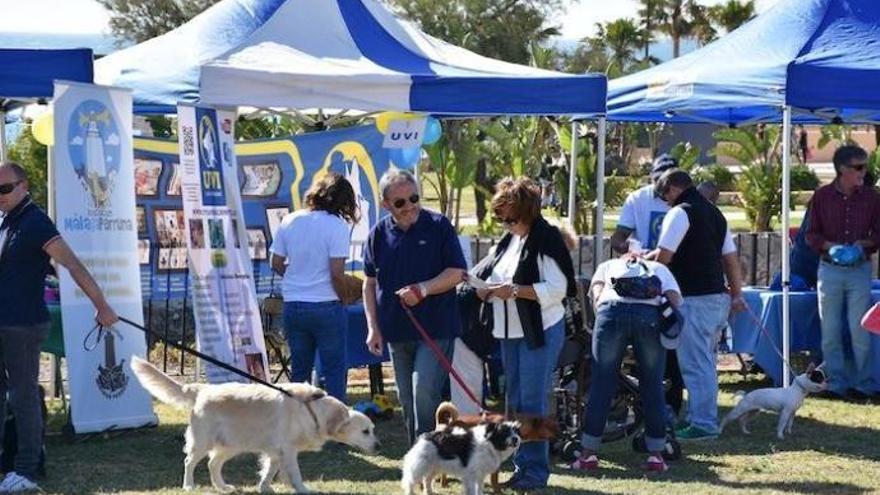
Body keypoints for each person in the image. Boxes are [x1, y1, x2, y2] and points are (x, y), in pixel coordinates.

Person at [0, 162, 118, 492]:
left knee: (23, 396)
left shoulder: (35, 221)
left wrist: (102, 305)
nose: (0, 196)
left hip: (23, 324)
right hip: (4, 320)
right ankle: (8, 463)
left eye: (5, 189)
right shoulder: (7, 221)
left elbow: (72, 264)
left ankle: (26, 471)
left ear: (24, 186)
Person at [473, 177, 576, 490]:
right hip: (510, 331)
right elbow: (485, 273)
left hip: (539, 330)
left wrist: (515, 290)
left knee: (531, 401)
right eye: (501, 217)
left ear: (528, 212)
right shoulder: (509, 240)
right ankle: (522, 467)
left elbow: (559, 289)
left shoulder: (546, 238)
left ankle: (535, 471)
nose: (506, 223)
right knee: (515, 400)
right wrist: (483, 289)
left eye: (511, 217)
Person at [362, 169, 467, 445]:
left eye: (414, 198)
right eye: (400, 202)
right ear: (386, 204)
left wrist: (423, 289)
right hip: (397, 331)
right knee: (406, 398)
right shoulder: (377, 234)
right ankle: (424, 453)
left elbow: (457, 272)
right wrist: (373, 328)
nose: (409, 206)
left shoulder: (439, 225)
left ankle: (425, 456)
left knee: (424, 392)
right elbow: (369, 284)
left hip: (436, 328)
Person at [649, 169, 745, 441]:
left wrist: (644, 260)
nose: (665, 202)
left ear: (672, 190)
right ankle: (697, 417)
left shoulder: (680, 212)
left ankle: (703, 423)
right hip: (717, 299)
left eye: (664, 195)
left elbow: (664, 257)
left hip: (694, 299)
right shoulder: (715, 213)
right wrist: (737, 294)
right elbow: (731, 259)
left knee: (695, 364)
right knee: (706, 362)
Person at [570, 254, 683, 473]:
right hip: (649, 315)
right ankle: (656, 455)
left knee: (602, 384)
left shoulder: (607, 265)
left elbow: (596, 294)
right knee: (652, 385)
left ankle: (588, 455)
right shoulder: (658, 267)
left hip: (611, 312)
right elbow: (675, 300)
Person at [270, 172, 359, 402]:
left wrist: (296, 279)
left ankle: (297, 427)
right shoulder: (337, 226)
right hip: (326, 305)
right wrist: (345, 297)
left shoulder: (290, 220)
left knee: (299, 374)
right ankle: (337, 426)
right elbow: (336, 274)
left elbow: (276, 263)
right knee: (334, 372)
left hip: (294, 304)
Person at [806, 145, 880, 400]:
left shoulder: (872, 197)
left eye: (865, 167)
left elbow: (878, 233)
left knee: (860, 329)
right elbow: (811, 234)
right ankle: (835, 383)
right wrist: (831, 247)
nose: (863, 172)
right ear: (842, 169)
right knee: (830, 331)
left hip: (859, 269)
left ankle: (865, 385)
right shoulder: (822, 196)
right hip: (829, 269)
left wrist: (863, 246)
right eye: (858, 167)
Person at [610, 153, 678, 255]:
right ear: (651, 178)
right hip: (644, 265)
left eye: (668, 182)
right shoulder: (637, 199)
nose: (663, 187)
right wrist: (628, 248)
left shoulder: (689, 199)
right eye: (659, 181)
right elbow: (618, 238)